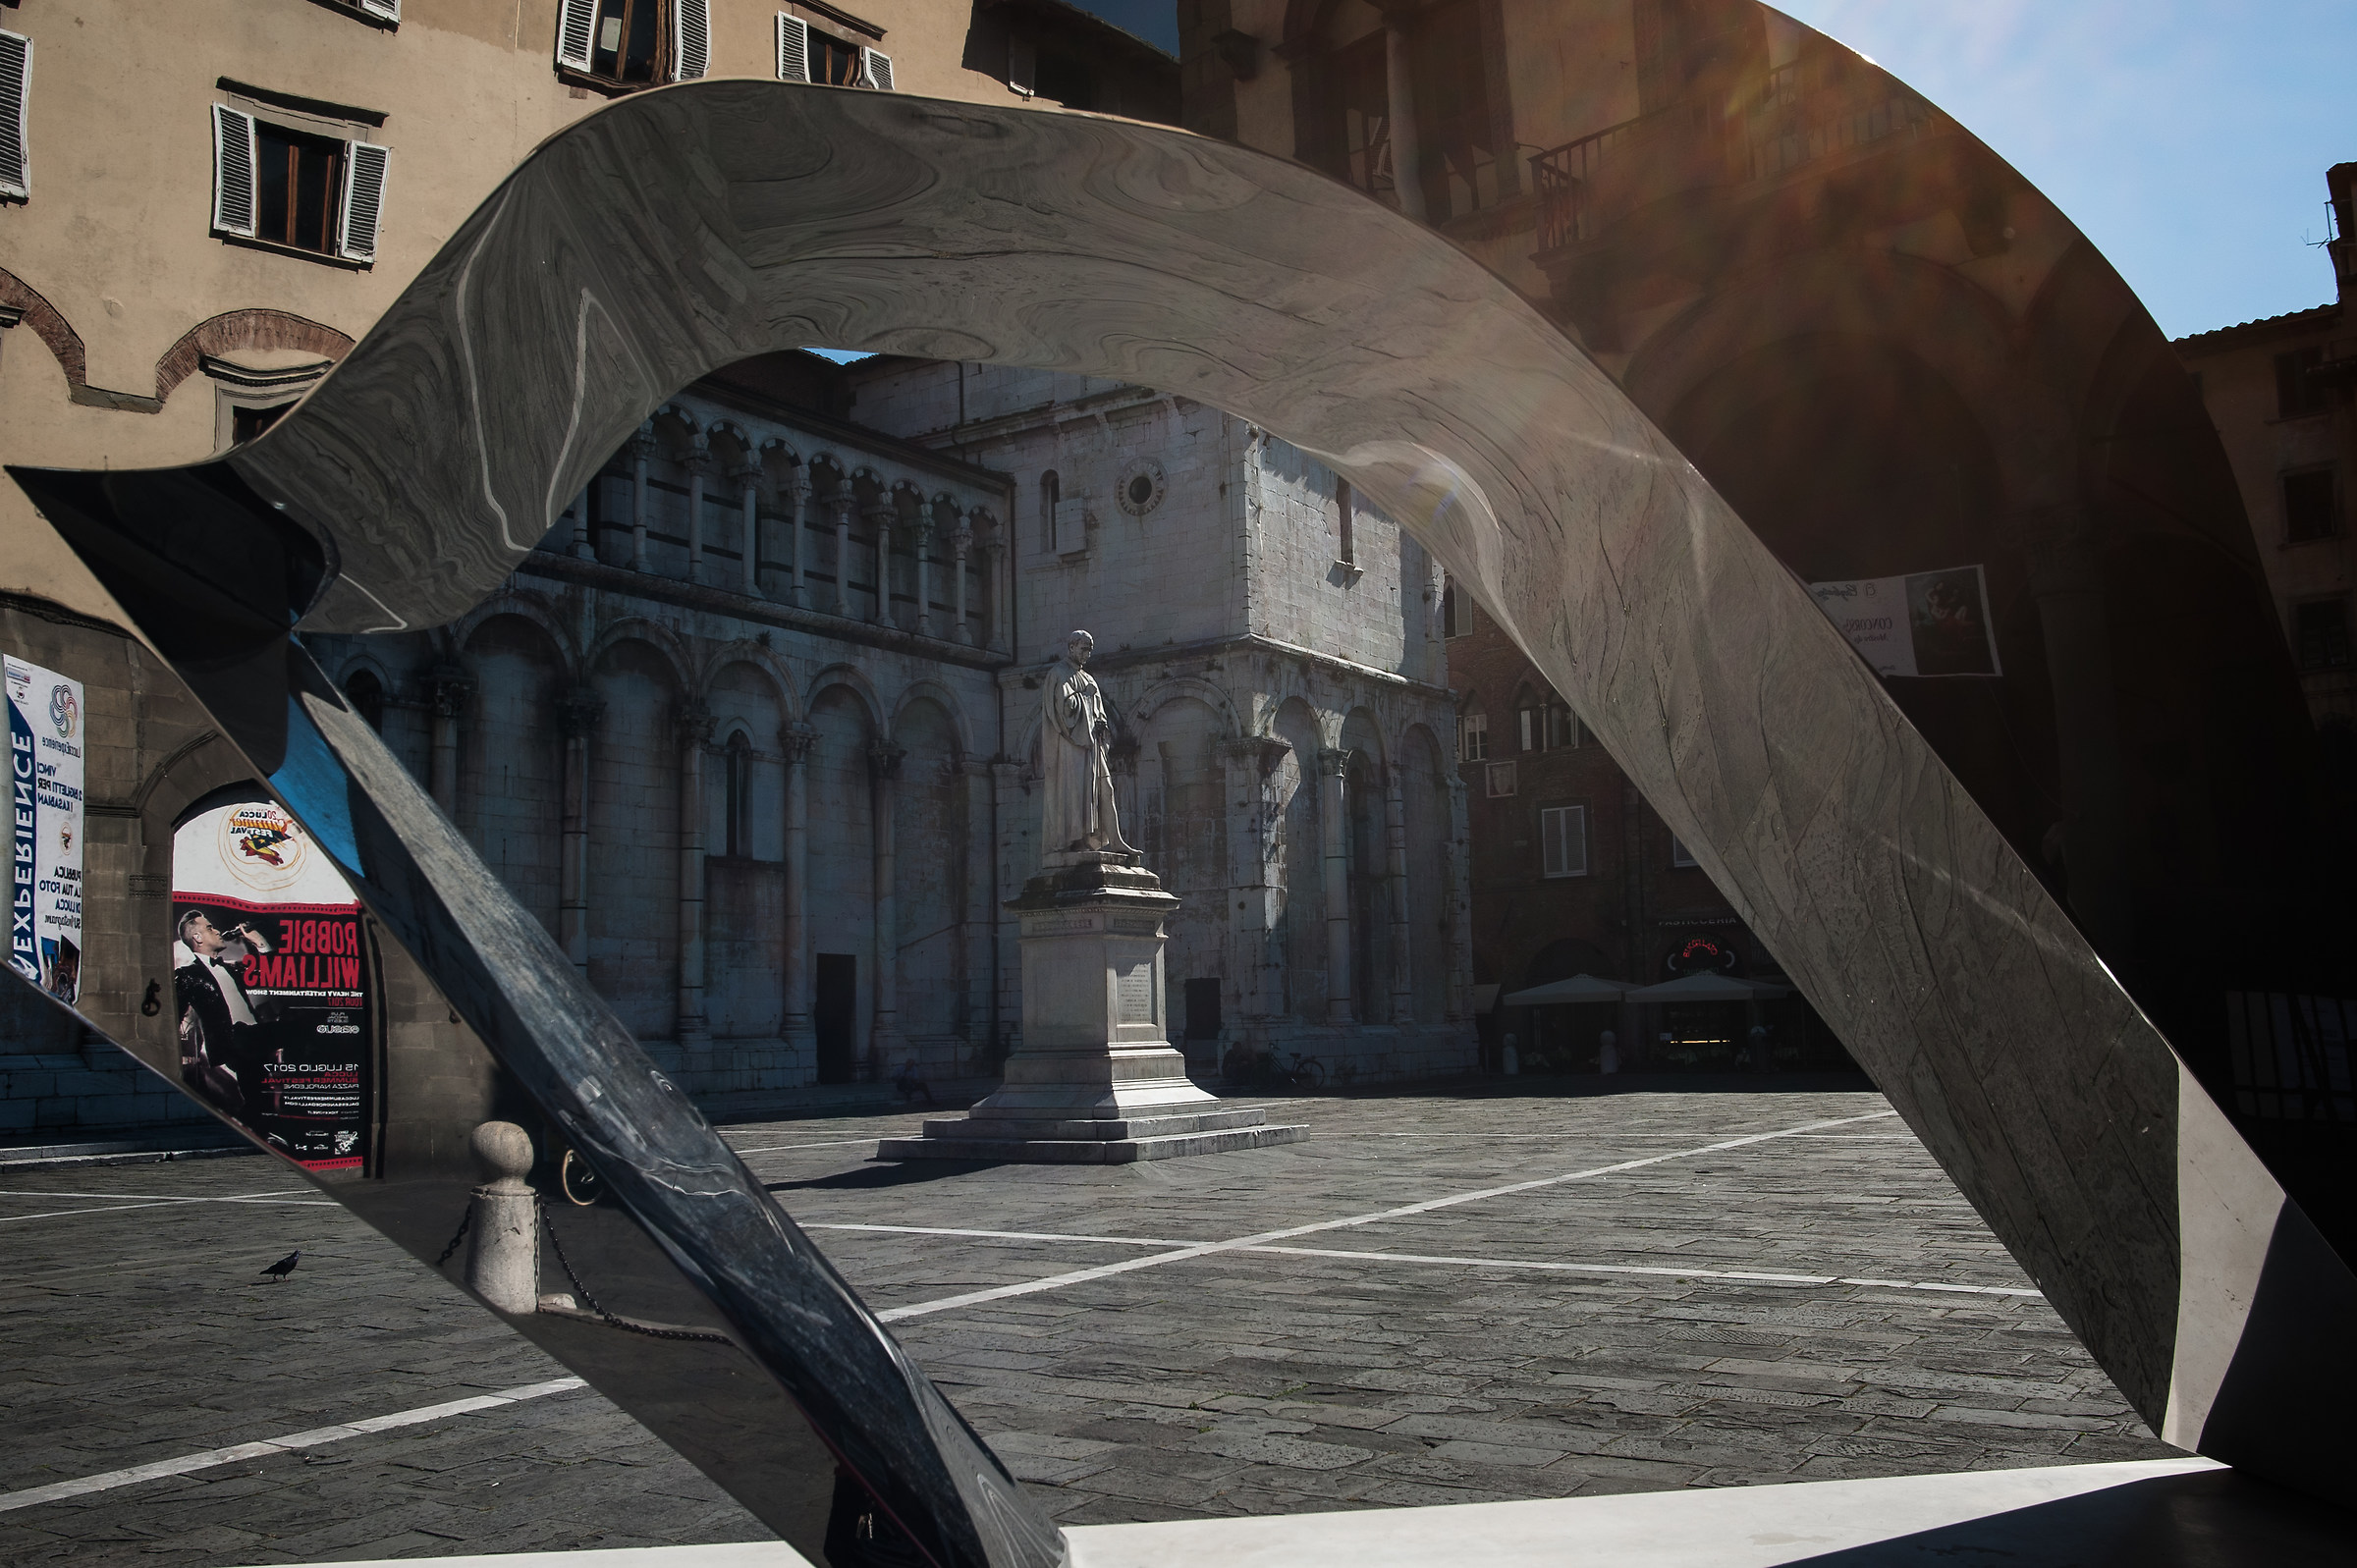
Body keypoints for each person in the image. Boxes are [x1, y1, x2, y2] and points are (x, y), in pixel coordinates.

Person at [1040, 630, 1136, 860]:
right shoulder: (1059, 673)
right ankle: (1076, 840)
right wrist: (1085, 696)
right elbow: (1063, 711)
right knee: (1077, 792)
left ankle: (1116, 840)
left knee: (1106, 789)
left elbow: (1098, 713)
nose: (1087, 655)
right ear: (1071, 647)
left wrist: (1101, 722)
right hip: (1071, 747)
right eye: (1084, 649)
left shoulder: (1088, 678)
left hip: (1092, 745)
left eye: (1090, 650)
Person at [175, 909, 272, 1114]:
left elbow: (276, 974)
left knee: (260, 1103)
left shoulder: (232, 969)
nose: (218, 931)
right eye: (210, 928)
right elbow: (172, 1016)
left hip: (256, 1040)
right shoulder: (187, 975)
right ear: (197, 937)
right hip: (234, 1043)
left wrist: (260, 942)